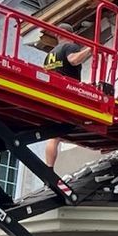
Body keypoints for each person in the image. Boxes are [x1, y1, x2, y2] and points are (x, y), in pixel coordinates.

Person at [38, 32, 93, 168]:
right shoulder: (70, 46)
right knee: (64, 132)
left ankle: (49, 166)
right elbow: (74, 60)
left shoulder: (50, 54)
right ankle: (49, 167)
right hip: (67, 94)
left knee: (55, 135)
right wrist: (90, 49)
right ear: (71, 35)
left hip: (51, 94)